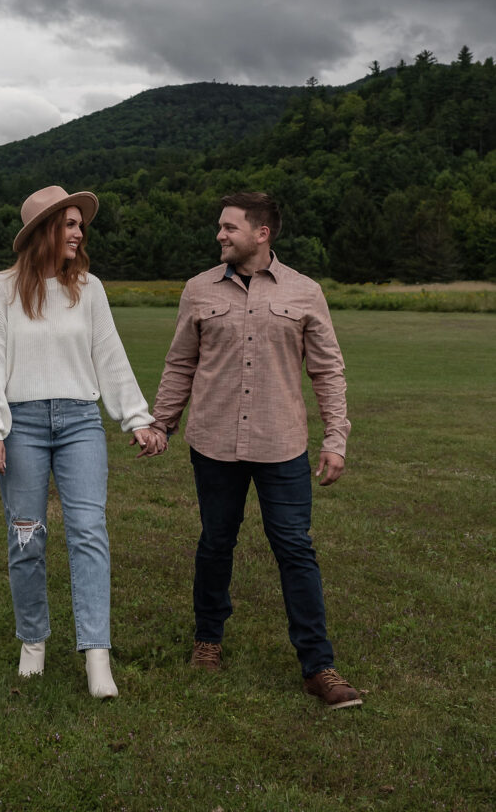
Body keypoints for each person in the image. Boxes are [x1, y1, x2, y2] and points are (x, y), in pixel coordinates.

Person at [147, 192, 362, 709]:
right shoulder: (198, 290)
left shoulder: (305, 292)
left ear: (261, 232)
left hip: (281, 444)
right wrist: (161, 425)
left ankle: (319, 667)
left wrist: (337, 437)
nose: (219, 235)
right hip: (214, 443)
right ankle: (208, 641)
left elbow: (327, 369)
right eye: (219, 227)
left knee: (294, 549)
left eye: (229, 227)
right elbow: (180, 364)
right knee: (216, 543)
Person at [0, 185, 164, 698]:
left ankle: (96, 655)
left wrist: (137, 418)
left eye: (81, 224)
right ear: (44, 231)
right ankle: (33, 642)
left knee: (88, 532)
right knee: (26, 536)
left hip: (80, 422)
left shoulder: (90, 289)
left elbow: (110, 356)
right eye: (71, 224)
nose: (80, 233)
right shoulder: (0, 290)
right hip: (23, 426)